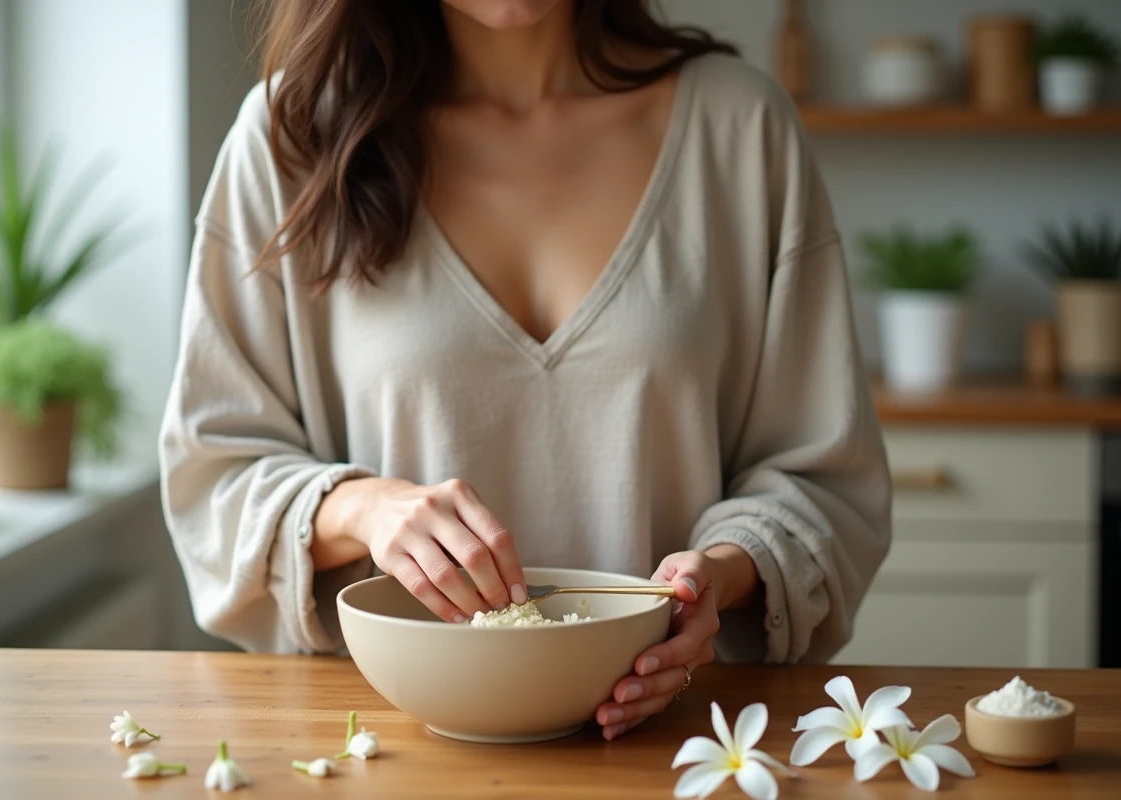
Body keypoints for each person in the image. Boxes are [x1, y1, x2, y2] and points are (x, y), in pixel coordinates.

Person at [159, 0, 892, 741]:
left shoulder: (741, 127)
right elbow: (212, 474)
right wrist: (363, 508)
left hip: (683, 744)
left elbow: (823, 479)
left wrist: (720, 576)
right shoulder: (289, 141)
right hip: (383, 750)